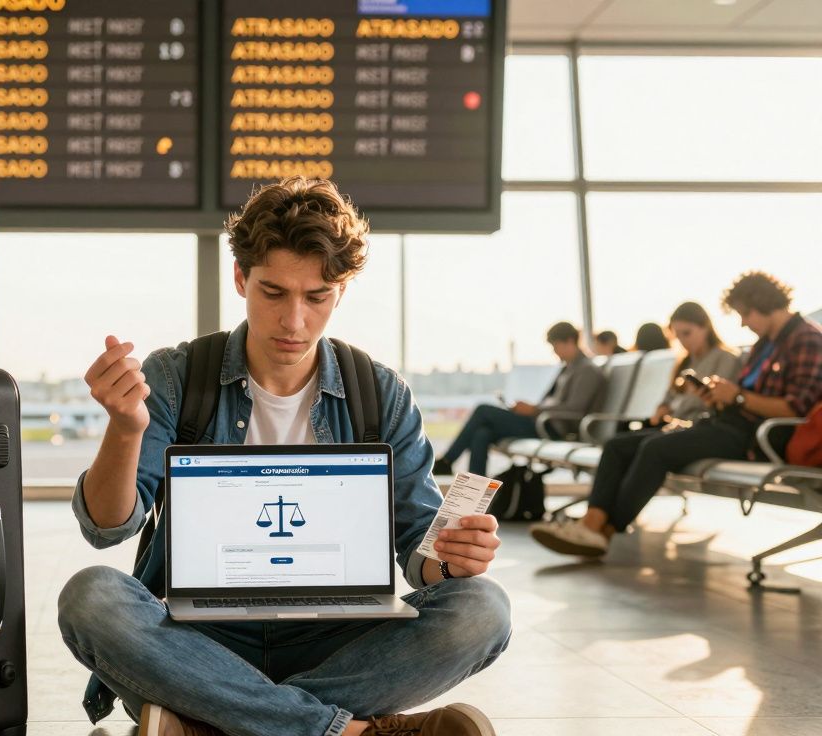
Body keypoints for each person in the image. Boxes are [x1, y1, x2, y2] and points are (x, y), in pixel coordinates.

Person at [58, 178, 511, 736]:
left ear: (340, 291)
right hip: (199, 636)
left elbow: (421, 555)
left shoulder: (380, 393)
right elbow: (105, 529)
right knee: (92, 596)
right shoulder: (176, 377)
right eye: (273, 293)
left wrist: (451, 559)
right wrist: (126, 430)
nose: (294, 322)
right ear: (241, 278)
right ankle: (348, 731)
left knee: (482, 609)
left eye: (316, 297)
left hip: (333, 643)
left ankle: (213, 719)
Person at [529, 273, 822, 557]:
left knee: (656, 449)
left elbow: (796, 409)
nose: (743, 323)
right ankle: (590, 525)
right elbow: (744, 398)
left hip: (757, 436)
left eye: (745, 314)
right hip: (728, 423)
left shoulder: (805, 339)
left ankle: (602, 532)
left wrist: (738, 396)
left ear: (764, 304)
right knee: (618, 446)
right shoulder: (765, 345)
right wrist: (718, 397)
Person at [433, 322, 606, 477]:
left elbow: (576, 410)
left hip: (552, 427)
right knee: (482, 434)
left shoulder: (586, 370)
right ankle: (475, 495)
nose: (554, 352)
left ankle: (447, 462)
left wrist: (535, 410)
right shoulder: (568, 369)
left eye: (555, 346)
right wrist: (530, 409)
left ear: (569, 341)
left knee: (483, 410)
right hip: (542, 421)